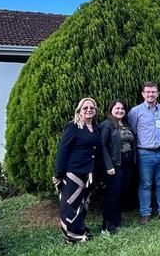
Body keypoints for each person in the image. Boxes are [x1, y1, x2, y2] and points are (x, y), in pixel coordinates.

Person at [53, 97, 100, 244]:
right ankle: (71, 236)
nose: (88, 110)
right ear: (79, 111)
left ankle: (79, 230)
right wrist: (58, 174)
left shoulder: (95, 127)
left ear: (95, 111)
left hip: (88, 172)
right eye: (85, 108)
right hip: (73, 172)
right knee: (70, 205)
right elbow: (63, 150)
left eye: (91, 108)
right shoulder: (73, 127)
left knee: (82, 204)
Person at [128, 82, 160, 224]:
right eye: (148, 92)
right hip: (145, 153)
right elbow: (132, 132)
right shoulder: (135, 112)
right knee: (145, 184)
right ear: (143, 94)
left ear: (158, 93)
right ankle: (145, 213)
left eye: (153, 92)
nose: (151, 94)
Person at [100, 99, 136, 234]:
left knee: (122, 193)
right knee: (113, 195)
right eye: (117, 108)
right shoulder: (107, 125)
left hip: (127, 164)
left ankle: (116, 220)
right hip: (114, 165)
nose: (120, 111)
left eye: (122, 108)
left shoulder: (126, 124)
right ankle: (107, 226)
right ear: (111, 110)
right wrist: (109, 166)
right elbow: (102, 146)